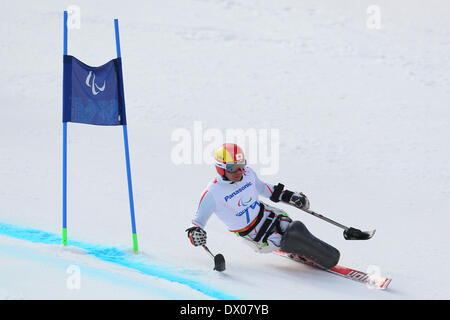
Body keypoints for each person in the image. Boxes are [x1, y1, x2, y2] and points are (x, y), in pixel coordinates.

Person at [186, 143, 340, 269]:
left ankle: (307, 249)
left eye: (241, 165)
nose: (239, 171)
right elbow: (196, 224)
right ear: (220, 168)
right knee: (285, 240)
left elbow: (266, 189)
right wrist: (195, 235)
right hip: (254, 233)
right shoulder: (212, 194)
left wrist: (290, 195)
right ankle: (300, 250)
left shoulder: (248, 174)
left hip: (269, 214)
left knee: (295, 228)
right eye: (232, 168)